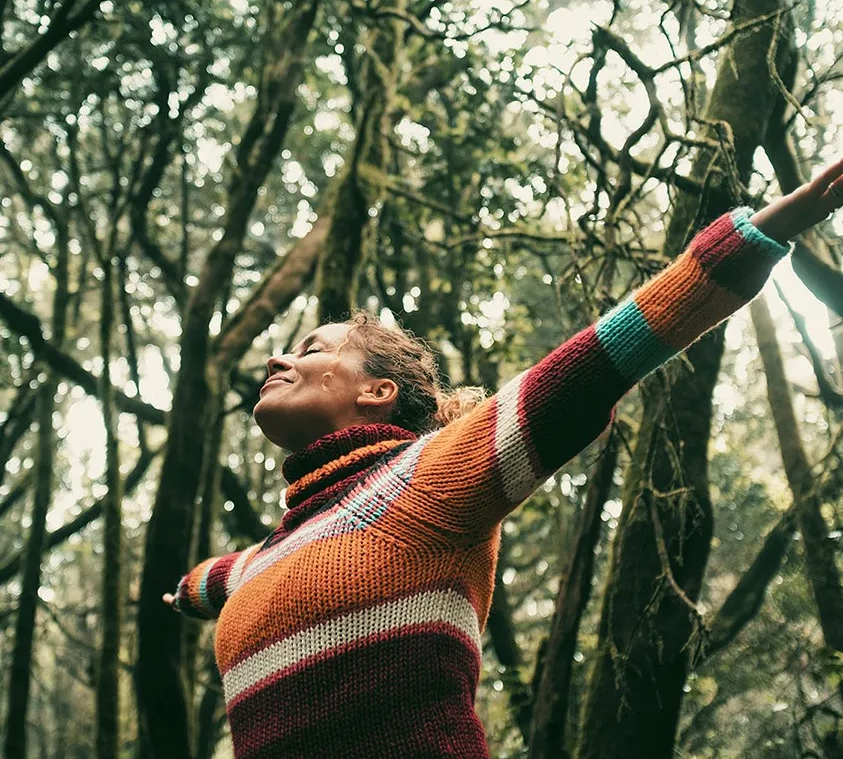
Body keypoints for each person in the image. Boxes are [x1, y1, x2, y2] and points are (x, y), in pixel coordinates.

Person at [165, 160, 843, 758]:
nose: (280, 356)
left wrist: (760, 232)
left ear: (378, 390)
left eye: (311, 348)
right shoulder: (272, 553)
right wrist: (184, 591)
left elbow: (600, 359)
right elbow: (221, 577)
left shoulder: (431, 478)